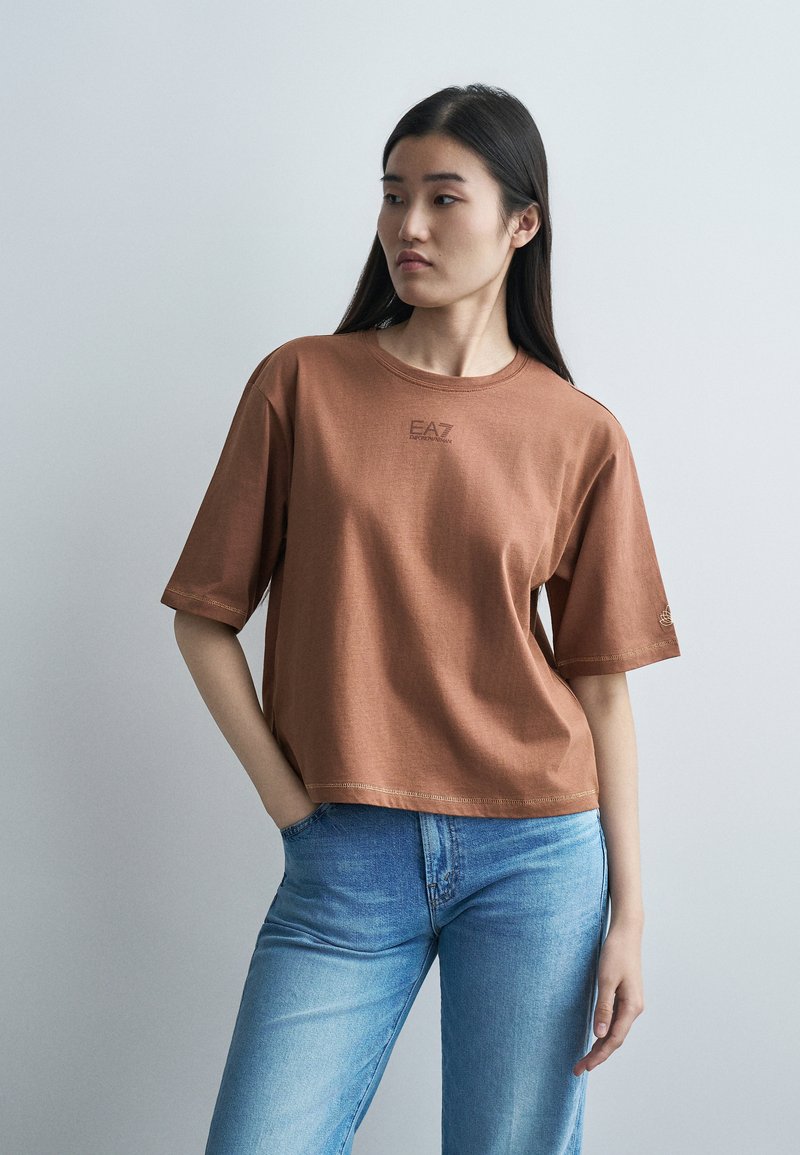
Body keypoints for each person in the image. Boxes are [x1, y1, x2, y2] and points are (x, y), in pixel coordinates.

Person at [160, 83, 681, 1155]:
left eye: (444, 198)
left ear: (521, 223)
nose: (409, 224)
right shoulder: (301, 383)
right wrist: (293, 808)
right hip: (343, 854)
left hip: (537, 859)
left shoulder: (577, 432)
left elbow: (600, 686)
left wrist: (628, 915)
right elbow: (204, 619)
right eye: (394, 194)